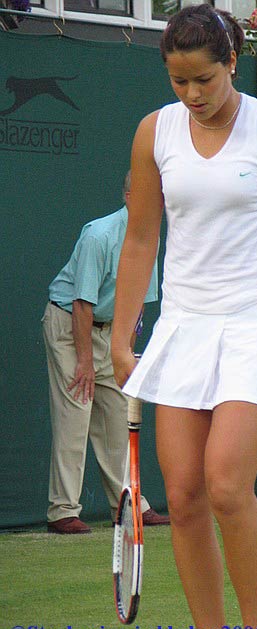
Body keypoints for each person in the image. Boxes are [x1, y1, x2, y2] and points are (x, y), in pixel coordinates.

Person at [111, 5, 257, 629]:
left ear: (233, 62)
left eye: (204, 80)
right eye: (179, 82)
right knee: (182, 498)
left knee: (226, 484)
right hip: (184, 326)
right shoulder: (154, 132)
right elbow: (141, 239)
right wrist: (122, 335)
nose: (192, 95)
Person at [43, 171, 170, 534]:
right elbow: (82, 303)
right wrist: (84, 361)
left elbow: (140, 304)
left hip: (111, 331)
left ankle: (129, 505)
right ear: (129, 197)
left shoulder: (150, 238)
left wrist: (125, 355)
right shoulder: (99, 235)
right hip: (70, 326)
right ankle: (62, 511)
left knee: (118, 418)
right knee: (76, 413)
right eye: (148, 196)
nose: (156, 205)